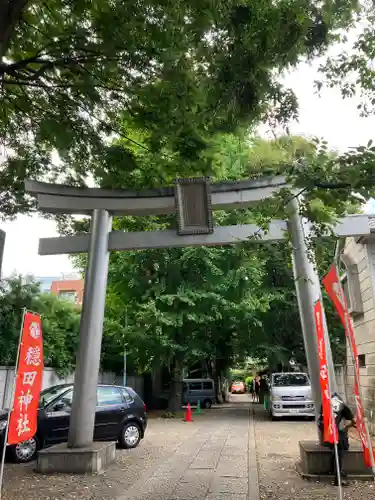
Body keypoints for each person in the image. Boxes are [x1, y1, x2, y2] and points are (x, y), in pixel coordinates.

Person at [318, 393, 356, 486]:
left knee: (335, 449)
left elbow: (321, 418)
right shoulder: (342, 404)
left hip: (324, 430)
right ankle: (338, 479)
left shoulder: (325, 403)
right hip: (334, 431)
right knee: (340, 451)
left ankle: (333, 470)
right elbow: (353, 421)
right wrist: (347, 427)